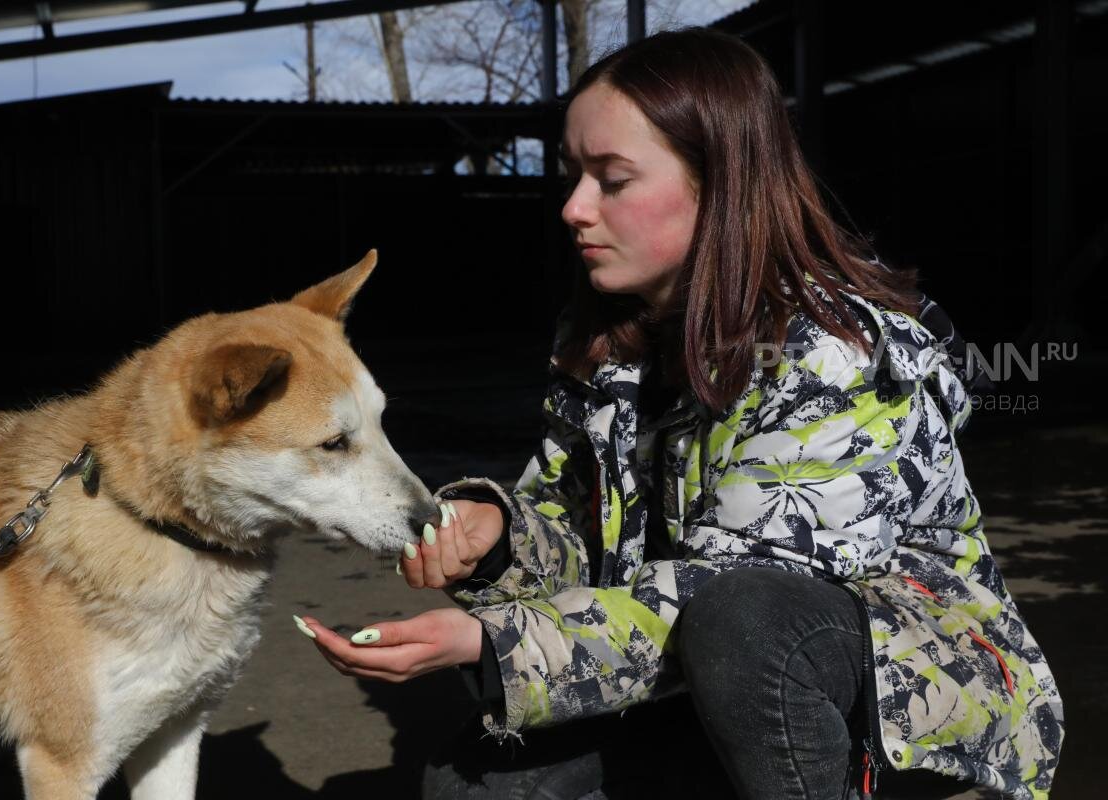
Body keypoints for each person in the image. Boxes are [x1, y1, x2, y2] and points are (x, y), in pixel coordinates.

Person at [295, 27, 1063, 800]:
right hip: (700, 675)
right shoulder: (603, 337)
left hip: (894, 709)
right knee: (477, 789)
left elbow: (732, 593)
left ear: (718, 182)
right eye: (573, 173)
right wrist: (497, 541)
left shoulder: (835, 355)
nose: (573, 206)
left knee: (747, 623)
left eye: (612, 178)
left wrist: (494, 643)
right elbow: (577, 527)